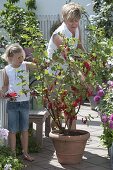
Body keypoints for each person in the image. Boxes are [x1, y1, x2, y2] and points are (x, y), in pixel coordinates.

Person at [0, 43, 36, 161]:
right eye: (18, 57)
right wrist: (2, 92)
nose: (21, 59)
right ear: (10, 58)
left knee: (24, 129)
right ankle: (13, 155)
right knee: (13, 130)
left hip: (24, 102)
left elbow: (38, 66)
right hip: (12, 103)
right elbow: (6, 85)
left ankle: (25, 153)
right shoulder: (7, 69)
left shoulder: (25, 66)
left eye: (22, 57)